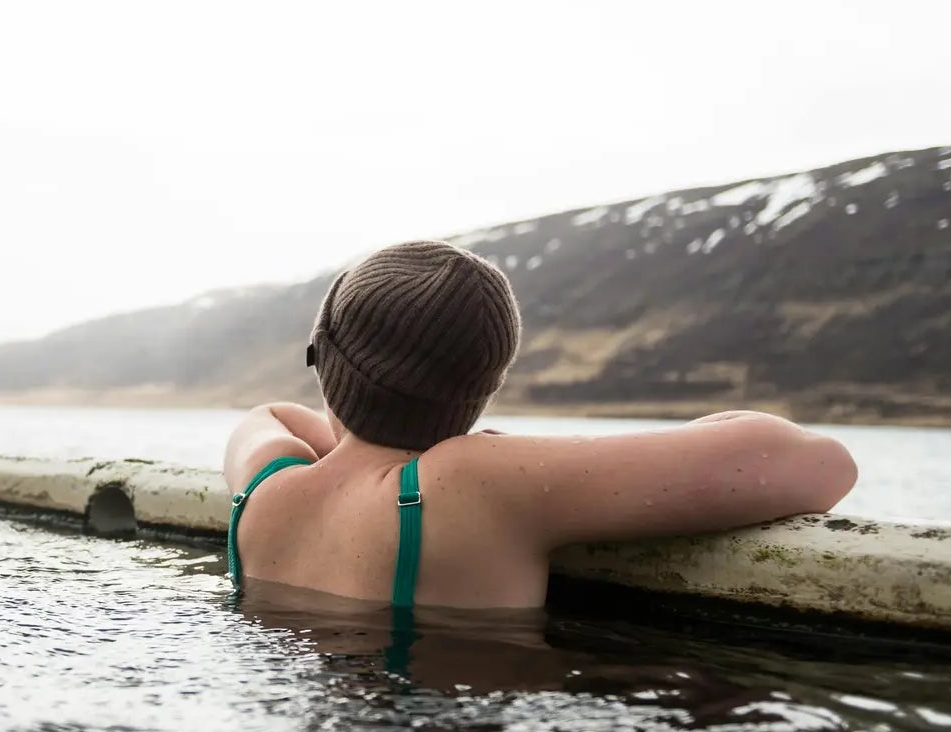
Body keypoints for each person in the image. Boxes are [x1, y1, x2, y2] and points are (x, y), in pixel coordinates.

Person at [222, 241, 858, 609]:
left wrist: (360, 450)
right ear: (486, 387)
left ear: (323, 364)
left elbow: (274, 416)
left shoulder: (267, 484)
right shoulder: (471, 482)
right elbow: (821, 463)